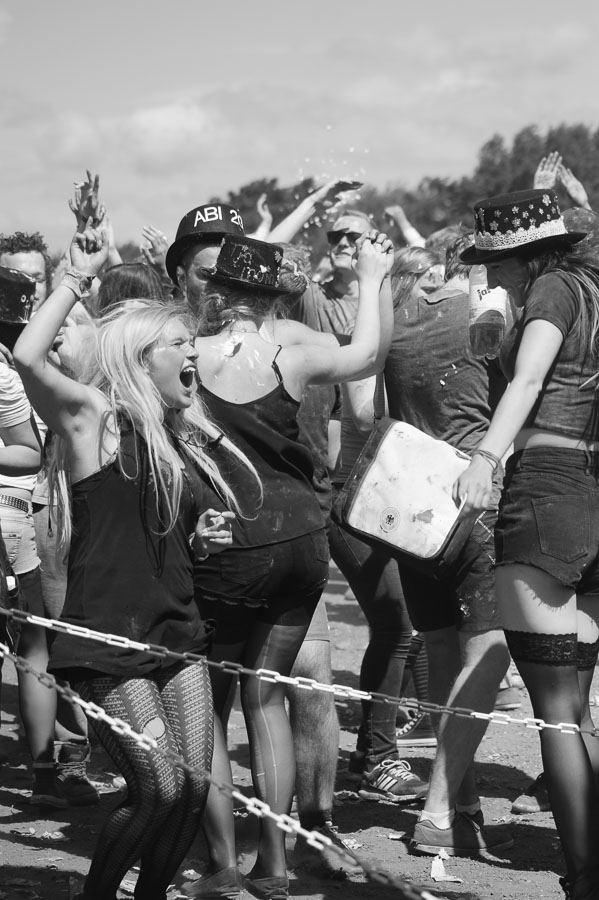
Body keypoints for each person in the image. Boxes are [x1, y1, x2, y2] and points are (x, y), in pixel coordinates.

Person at [13, 223, 249, 900]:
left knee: (193, 788)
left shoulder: (177, 437)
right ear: (141, 358)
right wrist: (75, 278)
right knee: (158, 788)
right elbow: (28, 355)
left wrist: (200, 540)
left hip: (177, 631)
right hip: (110, 641)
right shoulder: (95, 420)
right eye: (179, 343)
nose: (193, 352)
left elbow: (157, 538)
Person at [187, 231, 392, 900]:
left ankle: (222, 865)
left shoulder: (186, 358)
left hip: (233, 544)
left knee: (211, 708)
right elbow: (366, 355)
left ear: (217, 293)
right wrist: (371, 278)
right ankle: (273, 866)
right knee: (267, 696)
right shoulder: (292, 356)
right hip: (302, 539)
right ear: (273, 296)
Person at [456, 188, 599, 900]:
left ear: (524, 255)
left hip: (545, 492)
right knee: (578, 704)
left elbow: (532, 377)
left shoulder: (550, 290)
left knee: (556, 712)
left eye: (493, 260)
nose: (488, 273)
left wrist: (484, 457)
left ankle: (584, 878)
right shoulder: (590, 290)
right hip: (591, 493)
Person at [372, 232, 514, 857]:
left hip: (412, 508)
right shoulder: (489, 316)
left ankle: (464, 802)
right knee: (488, 654)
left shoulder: (395, 319)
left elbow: (362, 409)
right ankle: (437, 811)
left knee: (439, 651)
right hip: (479, 498)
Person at [330, 245, 444, 801]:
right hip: (354, 503)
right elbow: (360, 411)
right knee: (397, 625)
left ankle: (370, 754)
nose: (438, 292)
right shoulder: (371, 335)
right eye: (428, 282)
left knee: (408, 624)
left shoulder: (415, 334)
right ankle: (377, 759)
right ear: (401, 284)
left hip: (396, 501)